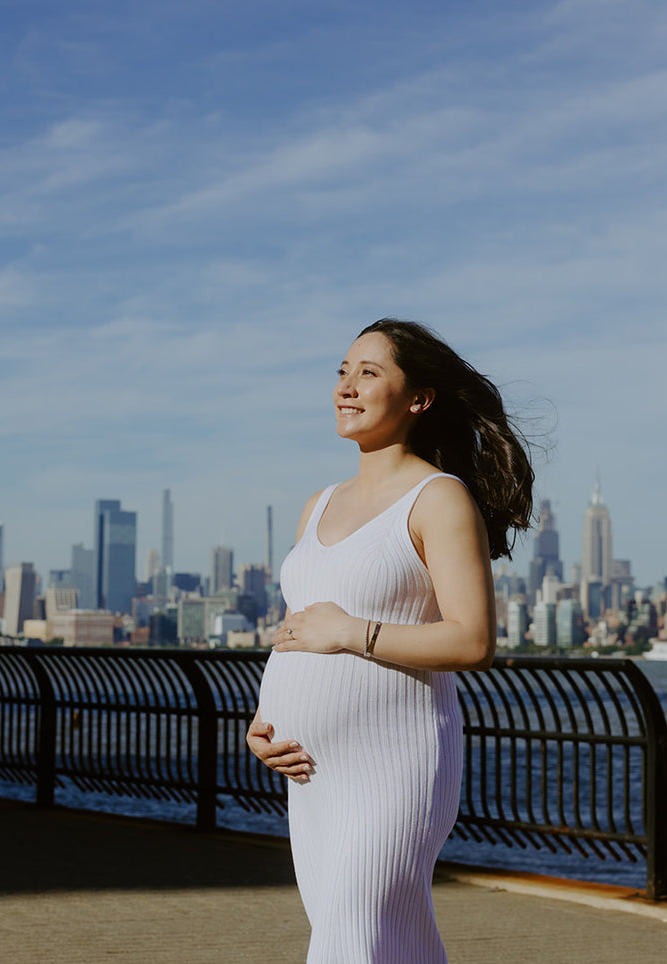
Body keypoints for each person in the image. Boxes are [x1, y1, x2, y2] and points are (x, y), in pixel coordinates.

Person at [247, 319, 534, 963]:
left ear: (419, 399)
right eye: (342, 372)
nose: (346, 388)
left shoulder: (438, 499)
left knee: (349, 944)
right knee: (391, 943)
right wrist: (265, 717)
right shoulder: (317, 504)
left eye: (369, 373)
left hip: (394, 764)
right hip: (309, 767)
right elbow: (299, 627)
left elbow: (472, 641)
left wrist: (349, 632)